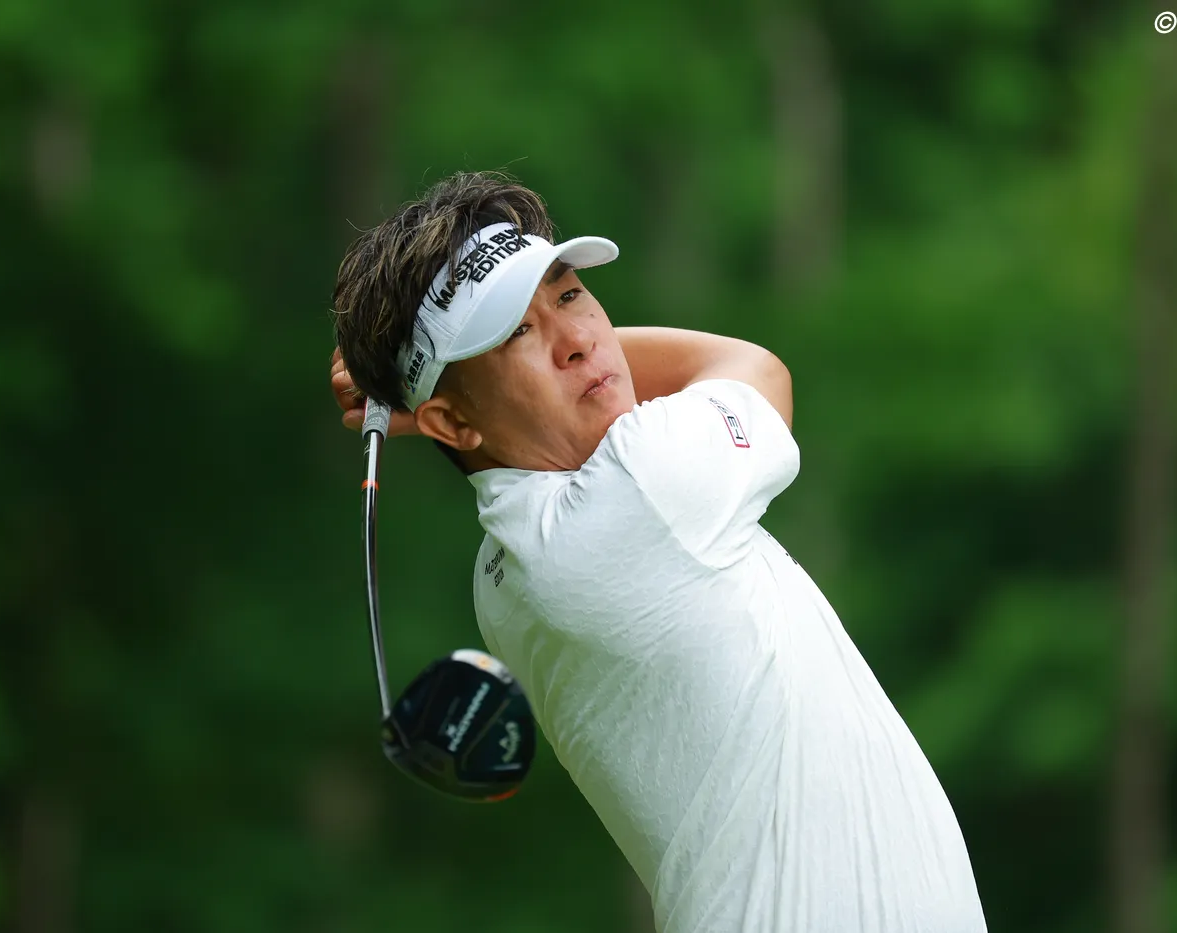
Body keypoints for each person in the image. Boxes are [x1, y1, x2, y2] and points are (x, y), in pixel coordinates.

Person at [330, 171, 987, 933]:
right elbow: (755, 367)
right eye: (517, 333)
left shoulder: (500, 576)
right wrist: (421, 404)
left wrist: (442, 398)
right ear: (450, 423)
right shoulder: (647, 486)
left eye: (570, 295)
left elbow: (575, 382)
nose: (580, 339)